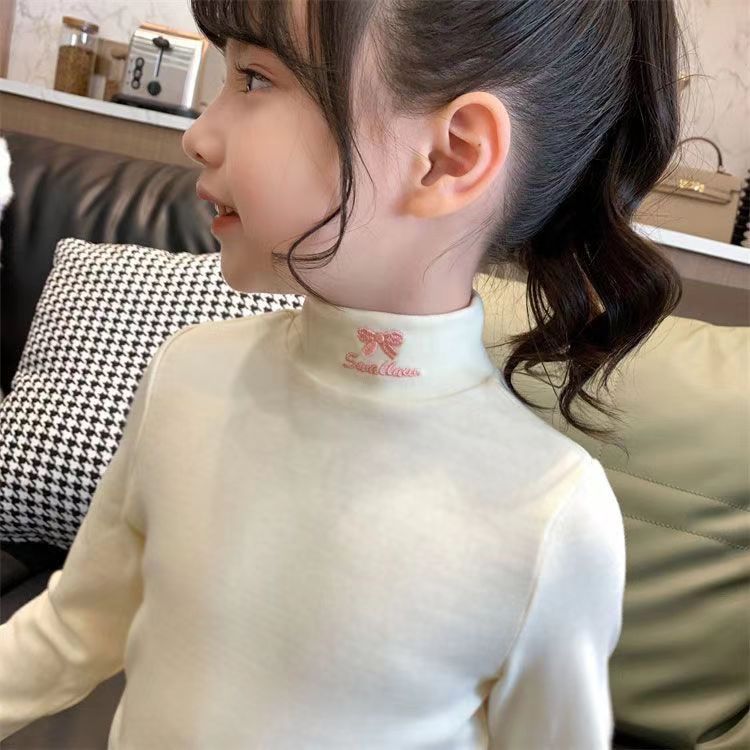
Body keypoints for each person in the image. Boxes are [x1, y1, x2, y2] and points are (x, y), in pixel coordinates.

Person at [0, 0, 686, 747]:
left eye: (254, 79)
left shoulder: (552, 515)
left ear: (450, 156)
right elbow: (74, 628)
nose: (197, 134)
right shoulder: (186, 373)